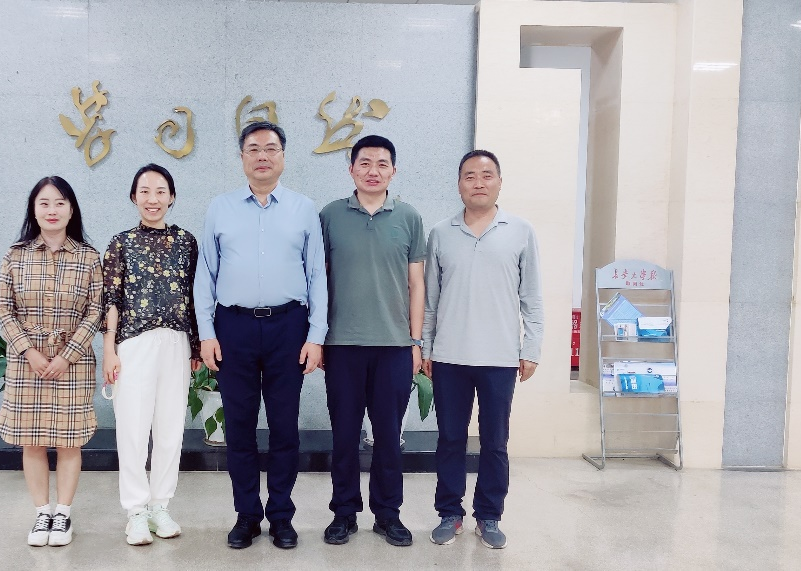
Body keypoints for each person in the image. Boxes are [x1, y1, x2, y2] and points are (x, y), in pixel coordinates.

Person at [194, 121, 328, 550]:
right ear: (242, 158)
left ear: (283, 156)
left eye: (271, 148)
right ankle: (247, 515)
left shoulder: (303, 208)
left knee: (285, 427)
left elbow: (317, 274)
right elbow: (205, 274)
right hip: (233, 327)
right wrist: (206, 333)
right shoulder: (220, 208)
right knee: (239, 427)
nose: (262, 156)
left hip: (289, 326)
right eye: (253, 148)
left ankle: (282, 517)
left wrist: (316, 335)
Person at [423, 150, 543, 549]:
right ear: (459, 183)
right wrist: (426, 347)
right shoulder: (441, 233)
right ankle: (449, 513)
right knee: (450, 439)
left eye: (486, 175)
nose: (478, 182)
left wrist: (531, 348)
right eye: (470, 175)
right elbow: (430, 301)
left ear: (499, 182)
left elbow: (532, 297)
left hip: (500, 357)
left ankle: (489, 516)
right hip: (449, 356)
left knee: (494, 441)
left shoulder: (520, 231)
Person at [318, 135, 425, 547]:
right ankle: (343, 513)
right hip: (342, 345)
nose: (373, 171)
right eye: (364, 163)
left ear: (393, 171)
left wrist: (416, 341)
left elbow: (417, 284)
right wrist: (319, 338)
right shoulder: (330, 215)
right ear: (351, 169)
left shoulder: (409, 217)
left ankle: (388, 514)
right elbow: (319, 280)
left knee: (388, 437)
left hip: (394, 346)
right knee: (344, 436)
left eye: (382, 164)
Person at [0, 175, 103, 547]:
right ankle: (43, 513)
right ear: (34, 210)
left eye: (59, 203)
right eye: (44, 203)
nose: (52, 210)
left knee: (70, 440)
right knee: (32, 440)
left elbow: (95, 311)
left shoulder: (88, 257)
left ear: (71, 210)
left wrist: (67, 356)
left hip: (73, 363)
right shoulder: (16, 255)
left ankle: (64, 514)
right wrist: (30, 352)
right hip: (28, 363)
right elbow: (4, 309)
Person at [101, 164, 201, 546]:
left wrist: (195, 345)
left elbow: (194, 296)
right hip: (133, 344)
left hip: (175, 343)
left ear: (171, 197)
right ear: (133, 197)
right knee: (132, 429)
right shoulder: (121, 243)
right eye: (144, 191)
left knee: (170, 430)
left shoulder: (186, 242)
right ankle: (136, 512)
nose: (152, 199)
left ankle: (161, 506)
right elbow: (111, 299)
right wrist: (109, 350)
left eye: (160, 191)